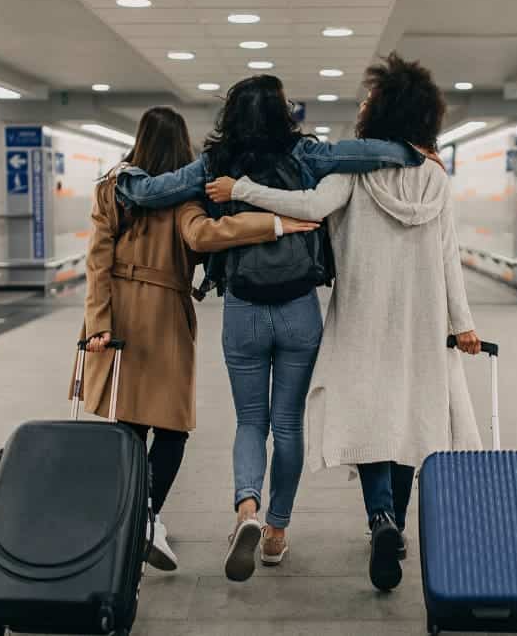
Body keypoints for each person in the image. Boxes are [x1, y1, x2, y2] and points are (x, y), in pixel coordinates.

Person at [115, 75, 425, 583]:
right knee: (288, 426)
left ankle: (247, 511)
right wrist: (410, 153)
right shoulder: (306, 153)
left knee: (250, 422)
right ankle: (277, 531)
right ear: (284, 112)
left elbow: (154, 191)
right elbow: (364, 153)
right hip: (299, 308)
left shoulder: (217, 164)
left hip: (243, 309)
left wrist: (123, 177)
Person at [205, 53, 484, 592]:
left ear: (383, 113)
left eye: (369, 100)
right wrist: (462, 322)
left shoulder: (352, 174)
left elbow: (306, 206)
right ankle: (392, 524)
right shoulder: (436, 179)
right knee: (408, 418)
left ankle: (377, 517)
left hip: (361, 314)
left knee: (370, 418)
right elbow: (449, 255)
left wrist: (240, 189)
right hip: (421, 320)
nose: (362, 106)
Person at [78, 106, 319, 572]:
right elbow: (207, 234)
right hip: (165, 316)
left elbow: (96, 262)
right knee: (171, 431)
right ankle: (147, 516)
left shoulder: (111, 189)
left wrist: (98, 325)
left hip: (119, 318)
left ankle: (131, 517)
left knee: (127, 425)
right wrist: (275, 223)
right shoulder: (183, 198)